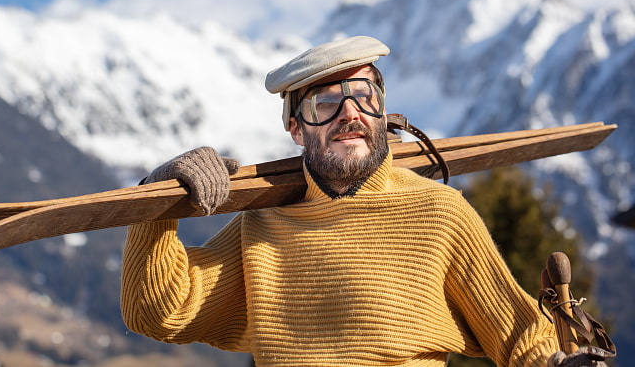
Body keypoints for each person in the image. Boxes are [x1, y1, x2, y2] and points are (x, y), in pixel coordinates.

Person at [120, 36, 607, 366]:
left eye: (364, 95)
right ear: (295, 126)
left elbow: (520, 335)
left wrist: (560, 362)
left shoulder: (439, 214)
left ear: (382, 111)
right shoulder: (263, 225)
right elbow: (158, 312)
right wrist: (158, 204)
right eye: (325, 102)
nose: (350, 112)